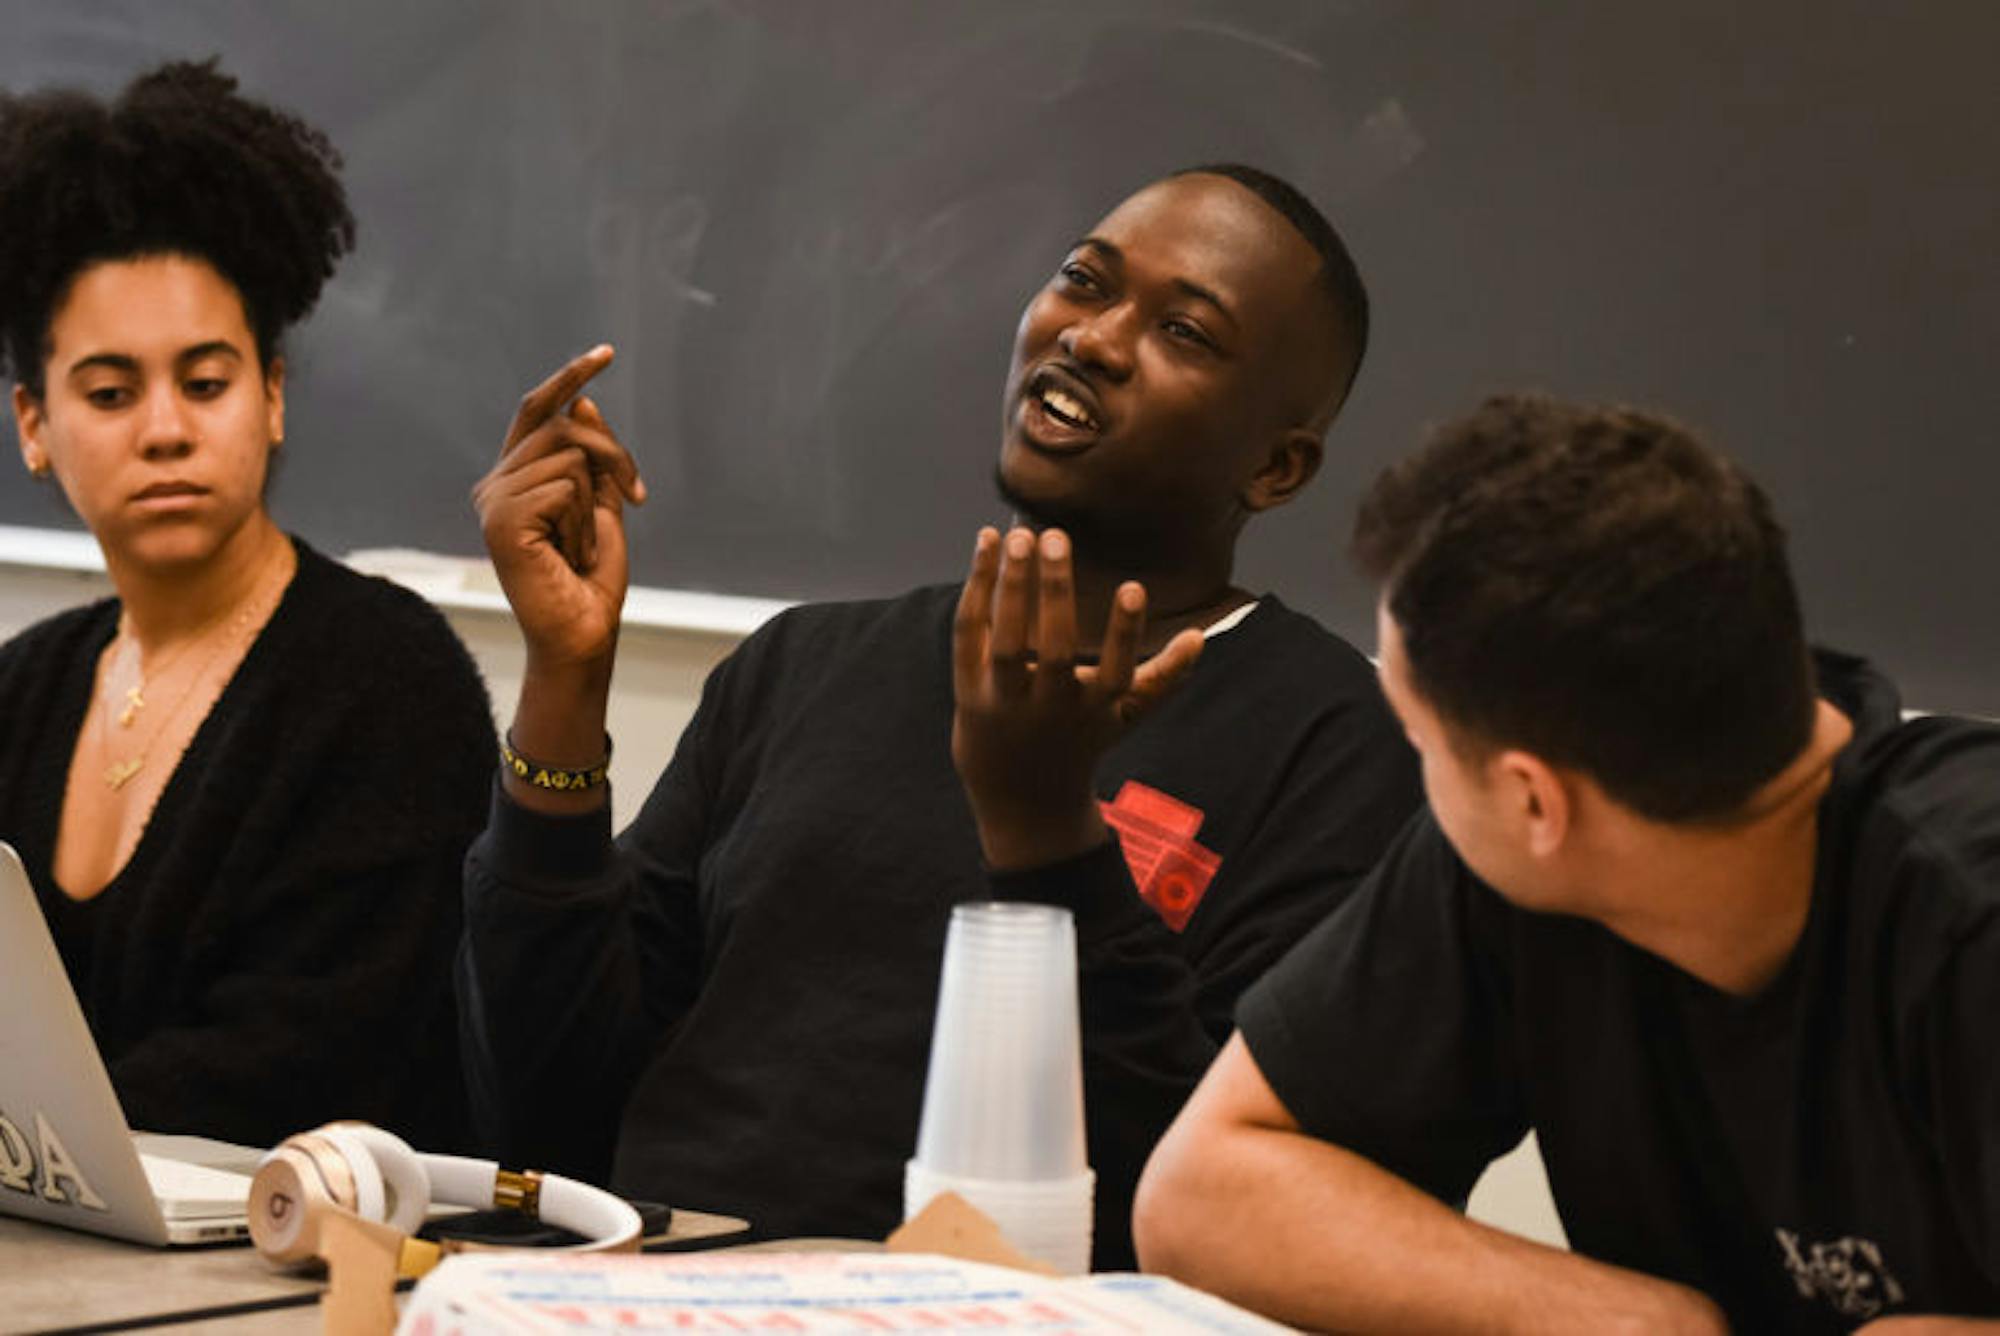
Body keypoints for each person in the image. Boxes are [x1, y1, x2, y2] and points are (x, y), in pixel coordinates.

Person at [459, 165, 1422, 1265]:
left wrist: (1045, 831)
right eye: (1081, 280)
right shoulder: (800, 665)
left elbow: (1206, 1205)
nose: (1092, 339)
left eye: (1183, 332)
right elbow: (541, 1112)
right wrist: (566, 683)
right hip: (656, 1295)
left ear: (1278, 465)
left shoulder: (1333, 745)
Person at [1134, 393, 2000, 1331]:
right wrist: (1640, 1323)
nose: (1423, 783)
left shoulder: (1966, 910)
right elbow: (1199, 1196)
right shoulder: (1516, 865)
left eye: (1420, 741)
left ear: (1534, 800)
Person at [0, 61, 494, 1150]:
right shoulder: (22, 687)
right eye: (112, 392)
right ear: (35, 425)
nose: (166, 429)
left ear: (271, 397)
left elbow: (301, 1065)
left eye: (207, 381)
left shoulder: (386, 680)